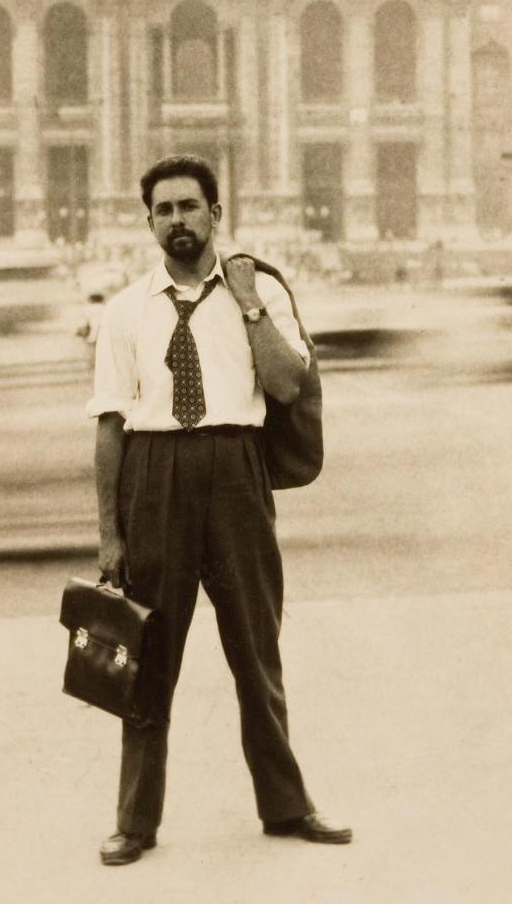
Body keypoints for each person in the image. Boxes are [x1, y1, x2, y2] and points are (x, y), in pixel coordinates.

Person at [86, 155, 351, 866]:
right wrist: (110, 533)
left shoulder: (259, 289)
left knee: (256, 650)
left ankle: (286, 804)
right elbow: (109, 424)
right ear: (149, 222)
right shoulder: (125, 309)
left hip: (236, 471)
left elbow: (288, 384)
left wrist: (249, 300)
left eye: (189, 206)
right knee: (148, 657)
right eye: (163, 210)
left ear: (215, 213)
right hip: (153, 475)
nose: (177, 220)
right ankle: (134, 820)